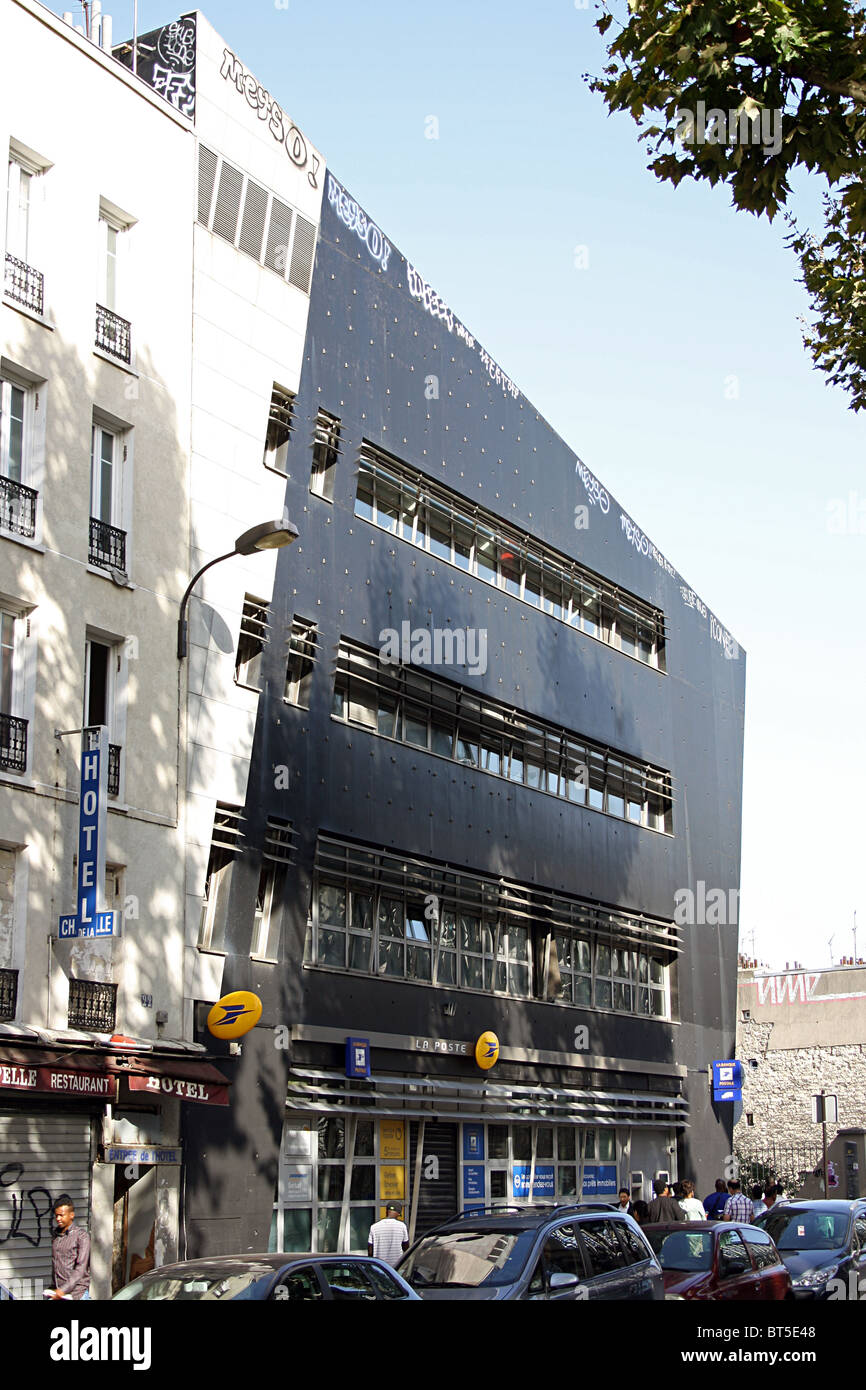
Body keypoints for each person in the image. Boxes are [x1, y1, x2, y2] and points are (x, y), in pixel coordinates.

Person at [47, 1195, 90, 1300]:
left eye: (61, 1215)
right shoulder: (56, 1236)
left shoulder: (81, 1236)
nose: (58, 1219)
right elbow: (56, 1266)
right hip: (59, 1293)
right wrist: (54, 1289)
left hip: (76, 1294)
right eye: (56, 1215)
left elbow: (80, 1268)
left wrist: (63, 1290)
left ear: (71, 1215)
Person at [367, 1202, 409, 1266]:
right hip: (396, 1267)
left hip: (379, 1267)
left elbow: (370, 1251)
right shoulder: (402, 1226)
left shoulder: (374, 1227)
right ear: (398, 1214)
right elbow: (406, 1248)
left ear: (386, 1212)